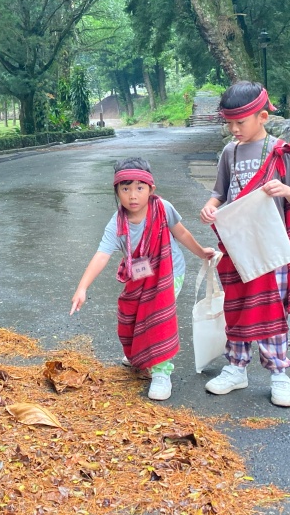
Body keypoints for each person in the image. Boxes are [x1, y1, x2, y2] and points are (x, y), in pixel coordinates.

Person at [71, 158, 216, 401]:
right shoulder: (116, 225)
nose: (133, 195)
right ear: (116, 192)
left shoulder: (163, 209)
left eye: (140, 188)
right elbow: (101, 255)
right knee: (131, 318)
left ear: (151, 189)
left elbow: (181, 232)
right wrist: (82, 288)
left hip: (170, 274)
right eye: (125, 189)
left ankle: (161, 373)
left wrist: (201, 252)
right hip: (138, 279)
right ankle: (138, 353)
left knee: (155, 319)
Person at [199, 81, 290, 408]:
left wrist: (285, 191)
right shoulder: (229, 153)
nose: (233, 129)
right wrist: (210, 206)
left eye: (239, 122)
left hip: (270, 245)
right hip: (238, 243)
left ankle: (278, 373)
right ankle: (236, 368)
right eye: (228, 122)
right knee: (238, 306)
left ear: (263, 116)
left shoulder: (281, 152)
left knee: (272, 307)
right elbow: (220, 192)